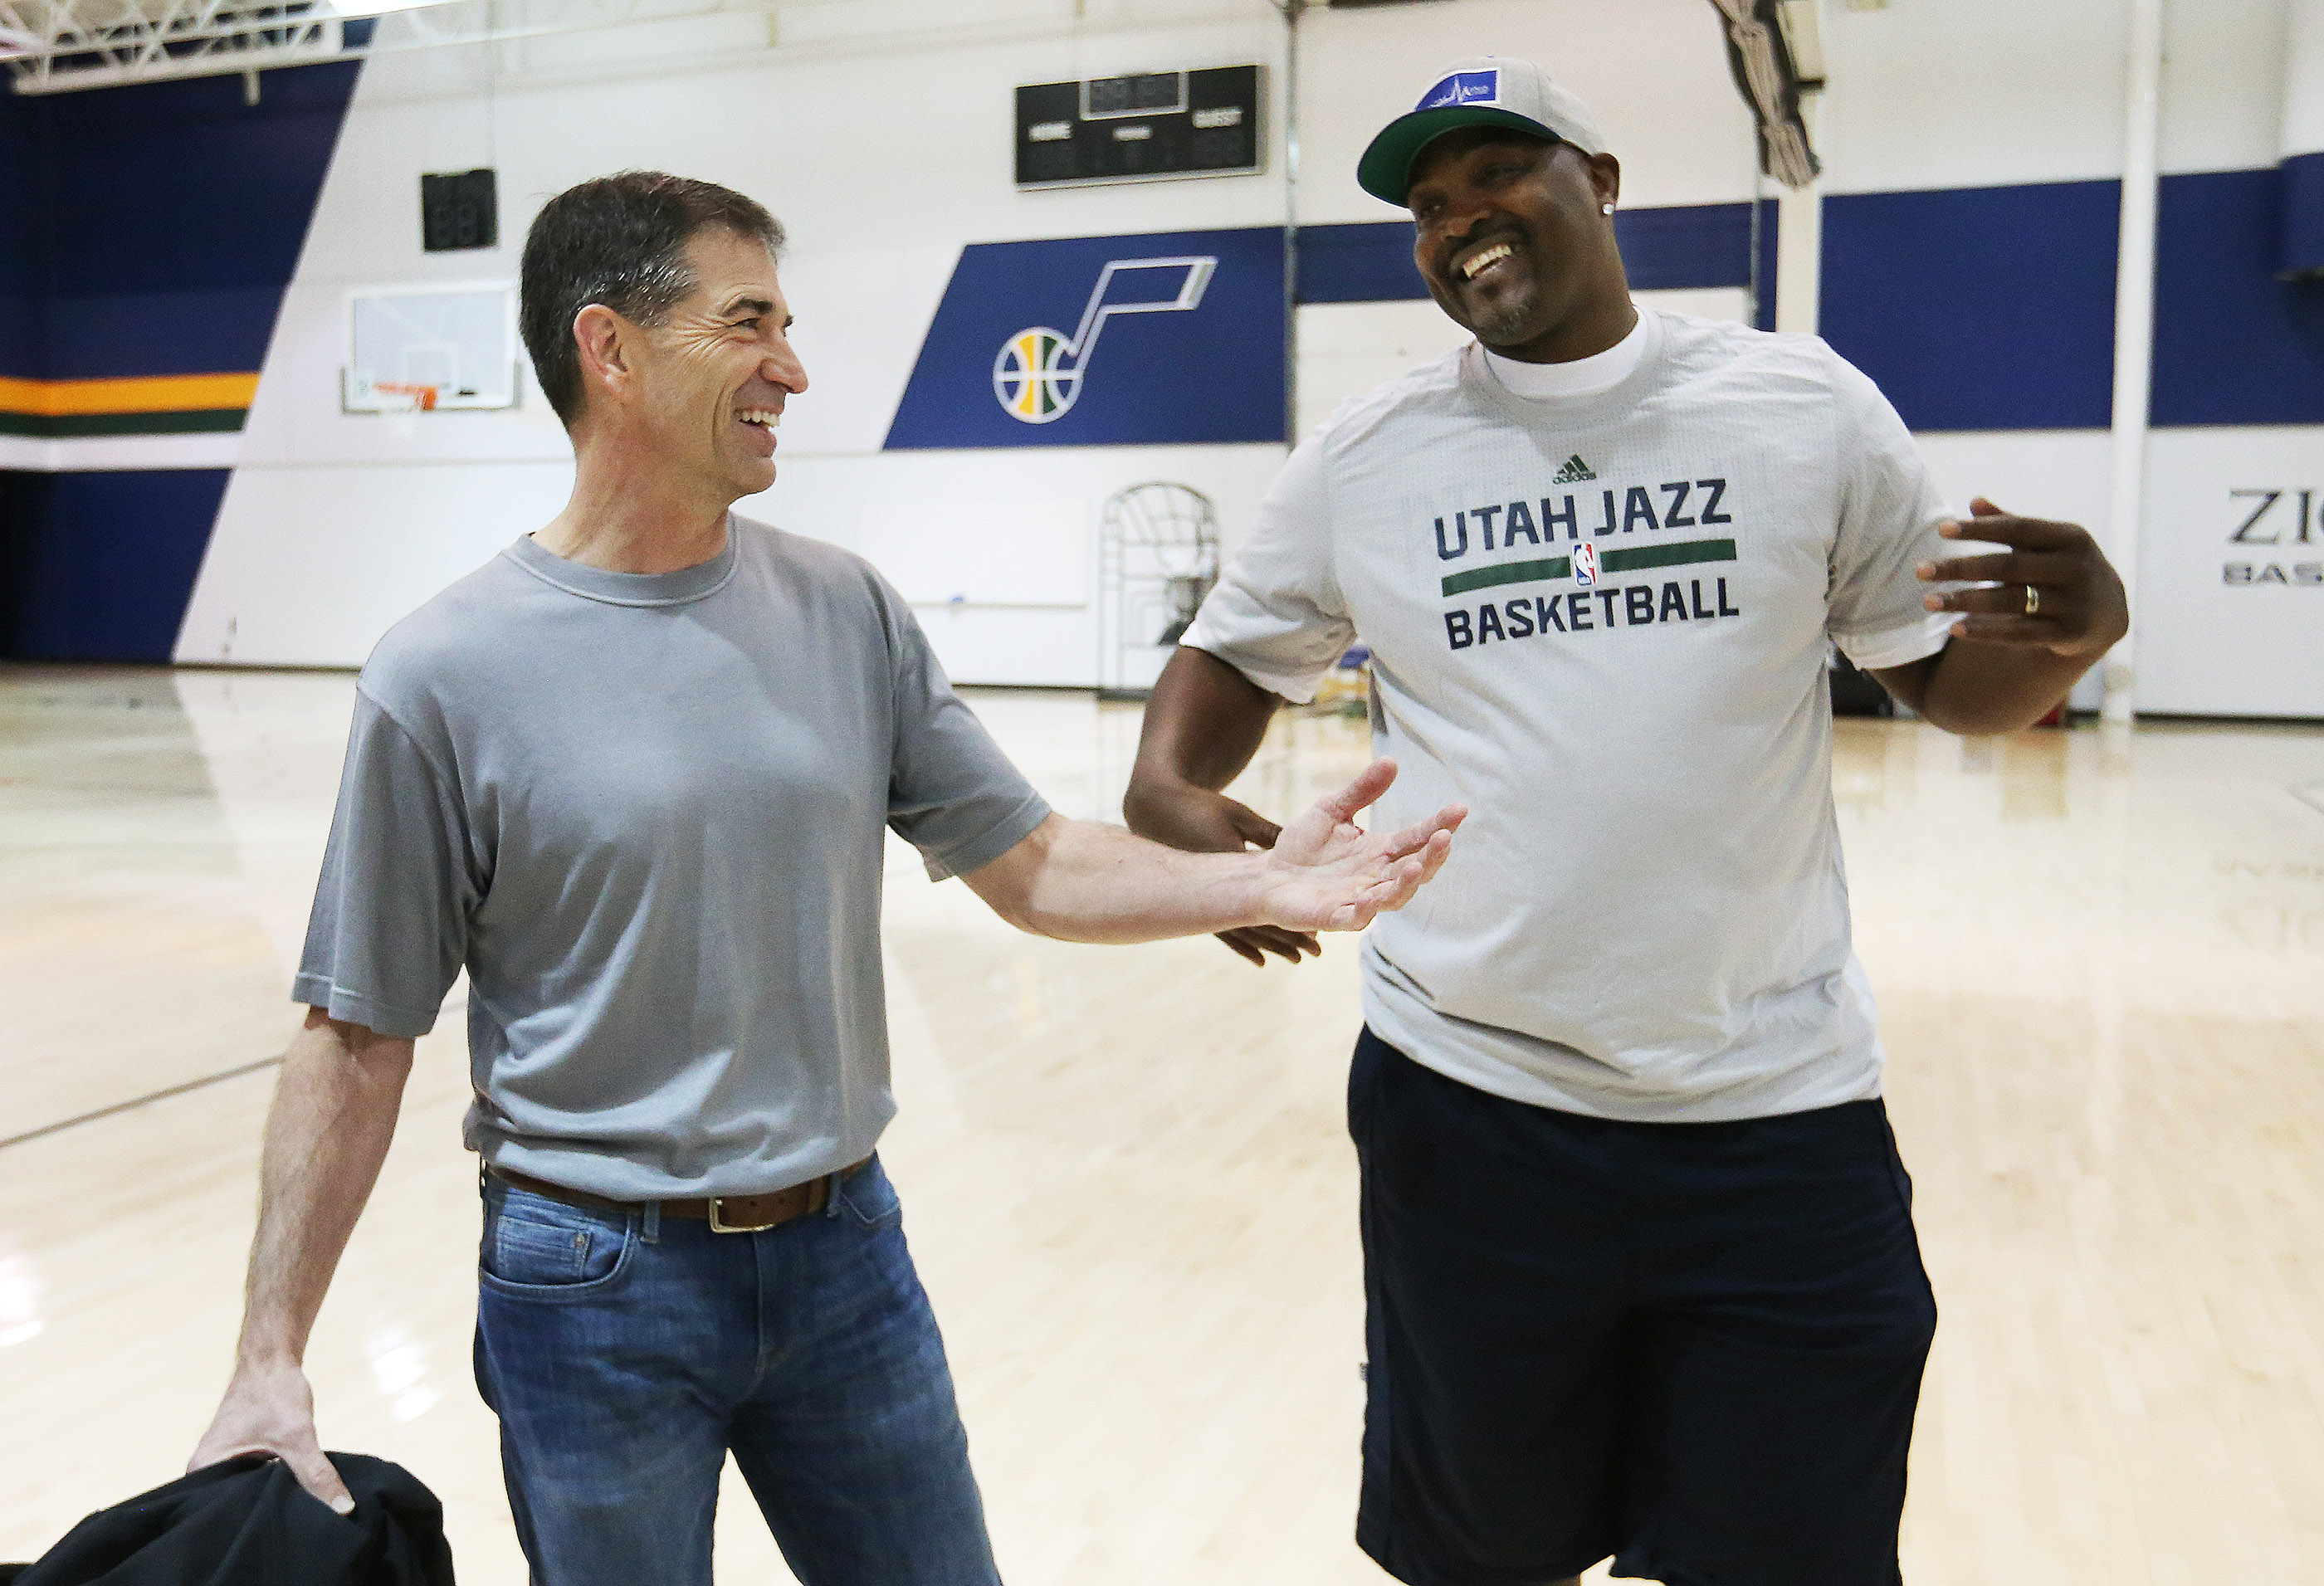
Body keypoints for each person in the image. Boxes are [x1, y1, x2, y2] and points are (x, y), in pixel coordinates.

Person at [188, 170, 1465, 1586]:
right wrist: (269, 1355)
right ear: (610, 349)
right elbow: (356, 1032)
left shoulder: (846, 609)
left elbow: (1035, 865)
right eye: (748, 324)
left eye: (787, 327)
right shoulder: (443, 674)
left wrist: (1261, 886)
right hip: (590, 1286)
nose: (791, 370)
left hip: (846, 1252)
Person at [1125, 56, 2128, 1586]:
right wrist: (1172, 796)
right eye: (1428, 205)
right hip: (1473, 1106)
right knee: (1483, 1554)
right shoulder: (1368, 457)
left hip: (1777, 1111)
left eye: (1496, 174)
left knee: (1793, 1551)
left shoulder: (1803, 407)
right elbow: (1229, 658)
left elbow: (1944, 686)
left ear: (1599, 182)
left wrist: (2068, 645)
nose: (1459, 220)